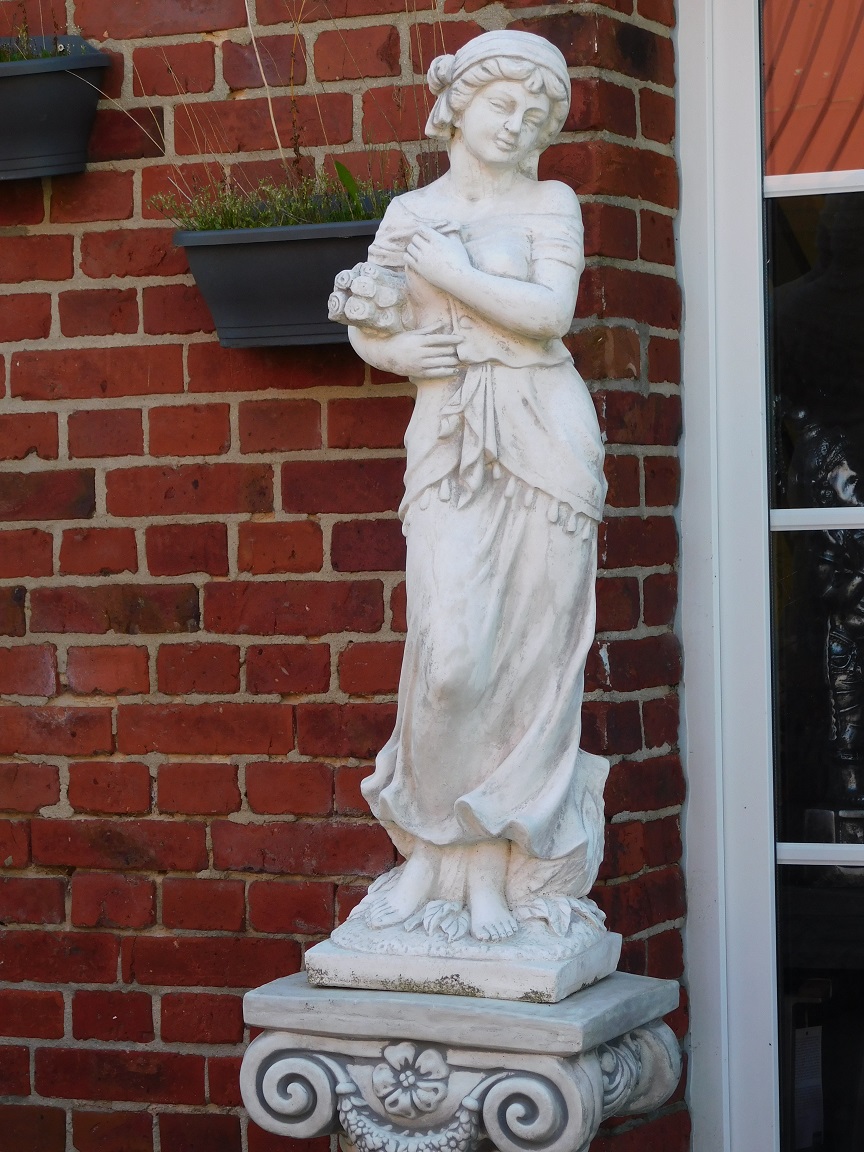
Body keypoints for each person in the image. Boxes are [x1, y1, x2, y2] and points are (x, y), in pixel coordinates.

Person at [344, 31, 609, 945]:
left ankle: (492, 865)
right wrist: (396, 353)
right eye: (503, 104)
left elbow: (549, 314)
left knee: (528, 661)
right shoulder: (409, 210)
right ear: (457, 106)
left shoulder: (550, 202)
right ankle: (429, 849)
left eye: (537, 115)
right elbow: (374, 312)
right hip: (451, 434)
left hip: (545, 436)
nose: (518, 124)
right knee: (451, 654)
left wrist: (449, 271)